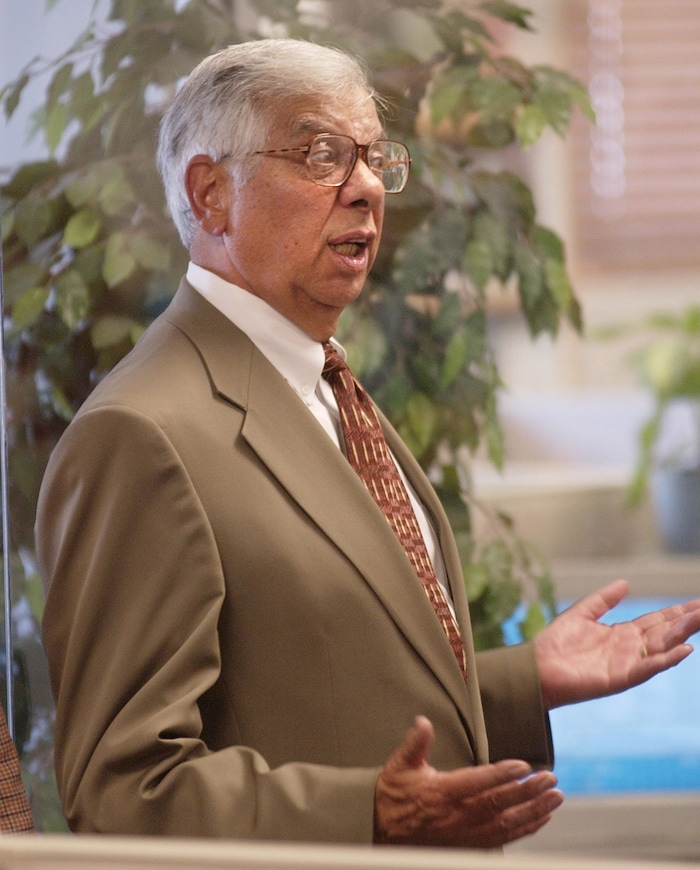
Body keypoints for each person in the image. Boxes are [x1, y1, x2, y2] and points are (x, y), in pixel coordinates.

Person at [36, 38, 700, 848]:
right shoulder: (137, 435)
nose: (365, 189)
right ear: (210, 195)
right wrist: (370, 816)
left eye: (373, 157)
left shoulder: (323, 383)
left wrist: (529, 680)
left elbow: (319, 683)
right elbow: (123, 794)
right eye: (320, 155)